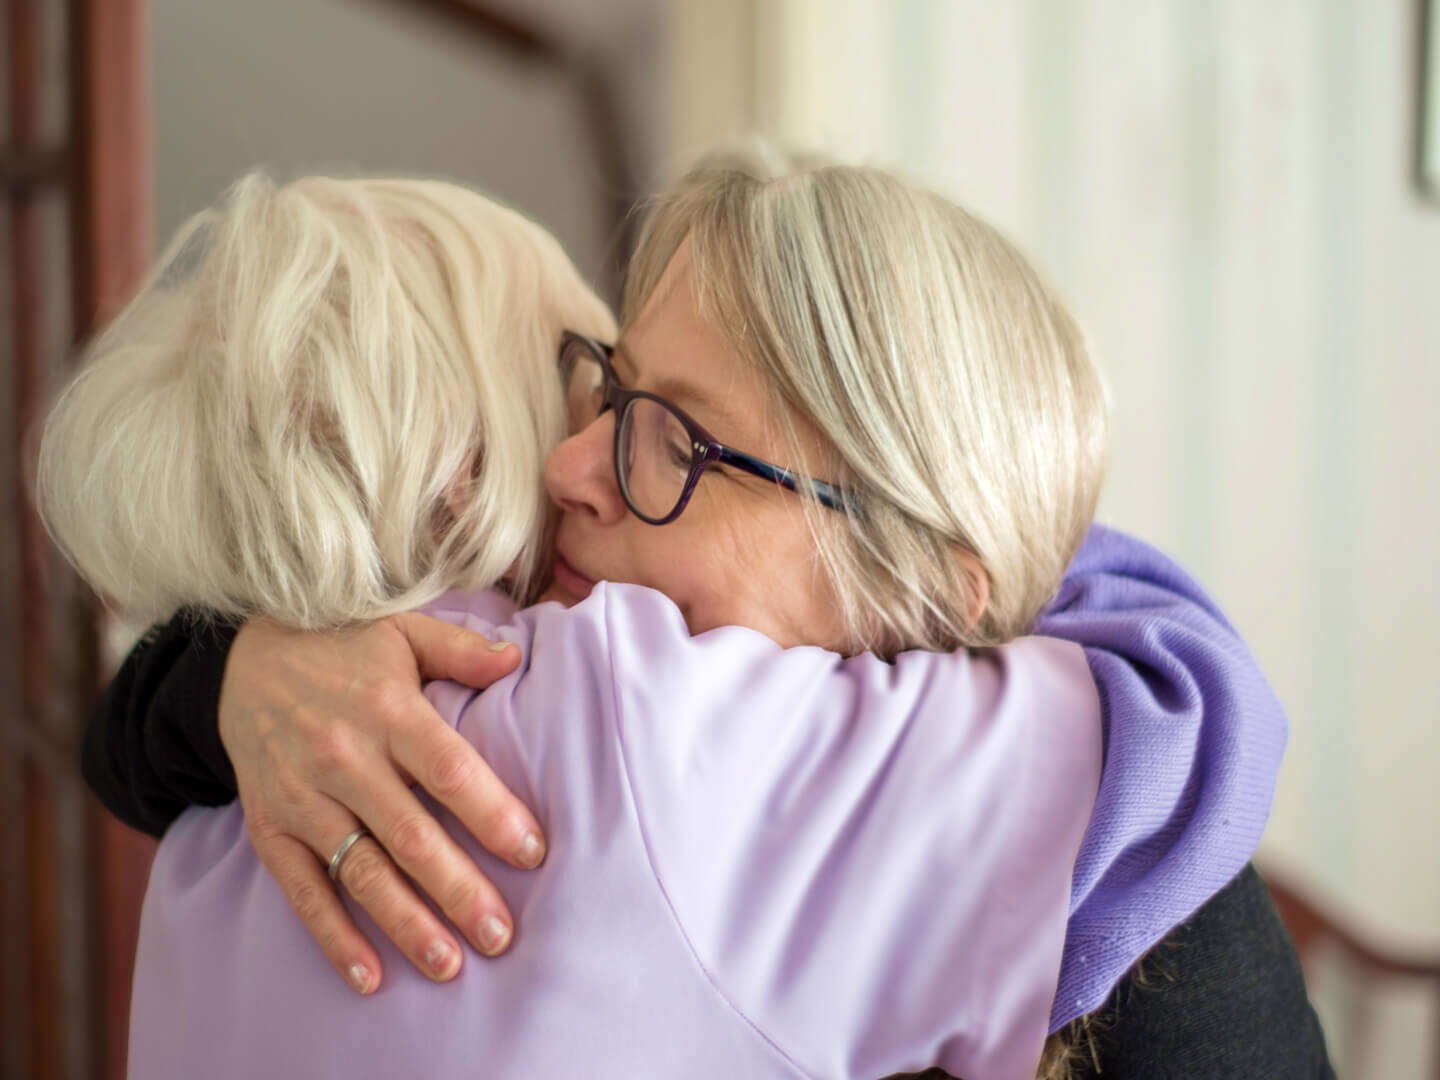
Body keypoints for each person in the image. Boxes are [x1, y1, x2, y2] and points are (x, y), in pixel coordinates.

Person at [46, 152, 1332, 1078]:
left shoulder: (205, 834)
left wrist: (222, 678)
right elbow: (1183, 709)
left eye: (676, 440)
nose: (570, 464)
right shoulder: (628, 717)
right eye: (603, 390)